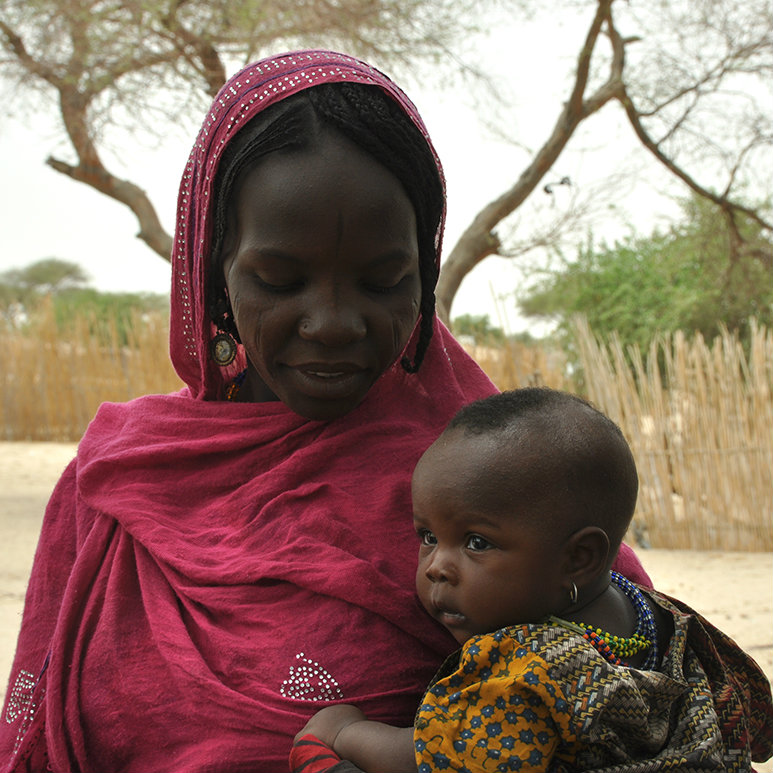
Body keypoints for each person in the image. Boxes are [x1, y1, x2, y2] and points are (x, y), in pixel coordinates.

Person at [0, 52, 651, 772]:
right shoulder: (121, 474)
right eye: (280, 279)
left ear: (425, 271)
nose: (333, 322)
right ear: (215, 267)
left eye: (382, 280)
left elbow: (641, 715)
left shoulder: (508, 479)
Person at [292, 389, 773, 773]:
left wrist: (342, 733)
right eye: (427, 536)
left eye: (477, 542)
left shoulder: (520, 669)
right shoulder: (660, 614)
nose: (436, 565)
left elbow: (434, 759)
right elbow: (750, 711)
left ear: (579, 557)